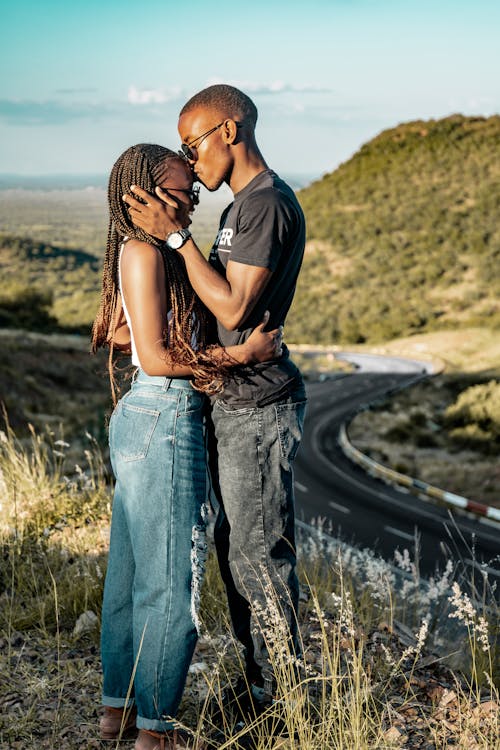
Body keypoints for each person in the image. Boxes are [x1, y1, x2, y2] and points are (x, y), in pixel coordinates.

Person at [91, 143, 283, 750]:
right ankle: (156, 731)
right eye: (177, 192)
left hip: (144, 418)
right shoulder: (147, 250)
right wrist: (240, 356)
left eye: (190, 194)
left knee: (127, 578)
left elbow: (129, 333)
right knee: (170, 583)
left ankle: (117, 712)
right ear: (141, 196)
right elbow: (155, 358)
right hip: (167, 419)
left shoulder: (140, 252)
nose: (187, 204)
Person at [123, 84, 307, 717]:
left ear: (229, 131)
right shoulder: (236, 211)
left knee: (259, 557)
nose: (189, 158)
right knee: (239, 552)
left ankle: (284, 703)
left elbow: (233, 305)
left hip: (260, 405)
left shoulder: (266, 205)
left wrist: (177, 241)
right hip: (233, 401)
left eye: (192, 141)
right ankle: (263, 688)